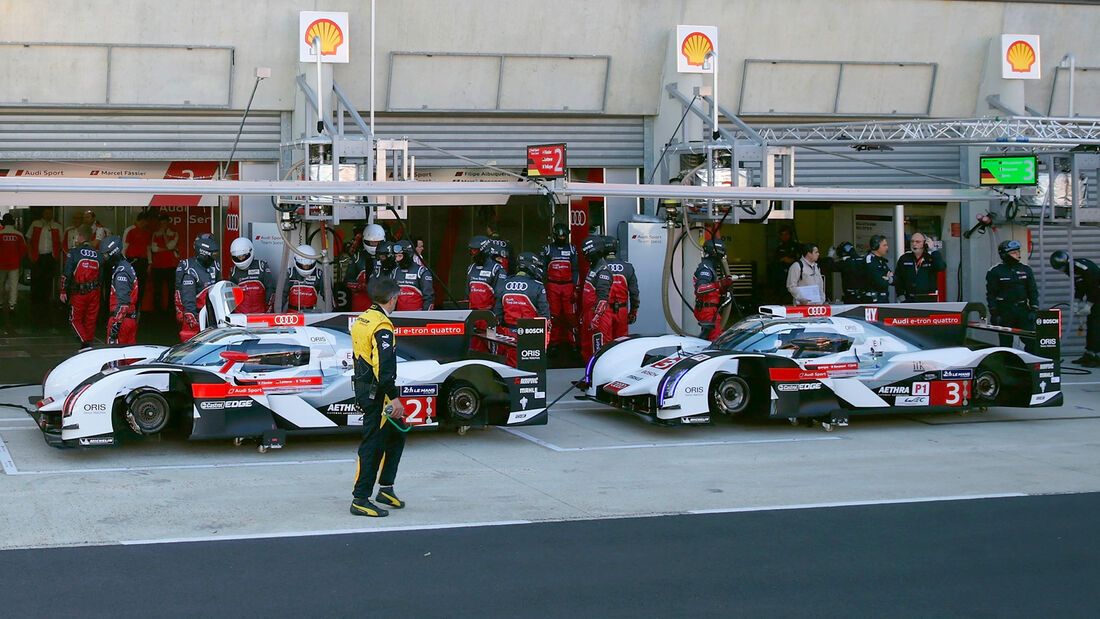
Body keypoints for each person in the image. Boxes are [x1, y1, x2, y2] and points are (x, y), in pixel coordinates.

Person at [349, 277, 407, 518]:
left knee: (397, 433)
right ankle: (360, 498)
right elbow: (384, 369)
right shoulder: (382, 325)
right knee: (373, 443)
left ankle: (385, 488)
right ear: (392, 299)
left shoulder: (363, 317)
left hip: (365, 387)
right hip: (377, 392)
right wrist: (394, 398)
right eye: (397, 299)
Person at [493, 252, 550, 367]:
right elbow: (545, 317)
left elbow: (497, 315)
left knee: (509, 367)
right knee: (530, 368)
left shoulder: (504, 284)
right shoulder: (537, 286)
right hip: (530, 335)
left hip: (508, 335)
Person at [1050, 250, 1100, 366]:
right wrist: (1076, 304)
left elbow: (1095, 285)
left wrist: (1088, 305)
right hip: (1094, 297)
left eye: (1060, 269)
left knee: (1096, 326)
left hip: (1097, 296)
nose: (1061, 272)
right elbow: (1079, 286)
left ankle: (1097, 356)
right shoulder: (1071, 270)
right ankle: (1089, 353)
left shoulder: (1080, 267)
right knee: (1091, 325)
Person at [986, 240, 1037, 351]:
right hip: (1005, 311)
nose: (1018, 255)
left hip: (1022, 310)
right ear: (1004, 255)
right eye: (1013, 252)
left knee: (1032, 341)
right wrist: (994, 313)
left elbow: (1032, 290)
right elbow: (991, 294)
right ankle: (1008, 365)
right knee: (1006, 343)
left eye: (1018, 251)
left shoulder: (1026, 270)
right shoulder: (995, 271)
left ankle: (1030, 364)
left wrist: (1034, 308)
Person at [592, 237, 639, 349]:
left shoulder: (598, 266)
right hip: (622, 311)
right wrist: (633, 312)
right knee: (622, 344)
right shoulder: (628, 266)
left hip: (604, 310)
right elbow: (634, 293)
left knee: (605, 344)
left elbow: (590, 291)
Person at [60, 226, 101, 349]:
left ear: (81, 236)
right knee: (91, 319)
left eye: (77, 235)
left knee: (75, 320)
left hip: (80, 292)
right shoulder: (98, 254)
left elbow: (66, 272)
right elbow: (102, 275)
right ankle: (89, 344)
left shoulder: (74, 252)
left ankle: (86, 344)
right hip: (95, 292)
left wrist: (63, 290)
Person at [540, 222, 579, 352]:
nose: (562, 239)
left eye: (564, 237)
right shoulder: (547, 249)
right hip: (552, 285)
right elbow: (543, 269)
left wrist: (575, 288)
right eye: (560, 236)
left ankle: (573, 342)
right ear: (555, 236)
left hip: (568, 286)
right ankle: (553, 342)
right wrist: (543, 287)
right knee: (554, 316)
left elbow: (575, 269)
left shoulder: (572, 249)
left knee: (570, 316)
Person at [175, 234, 220, 341]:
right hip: (194, 316)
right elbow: (181, 292)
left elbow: (220, 289)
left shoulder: (216, 266)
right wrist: (186, 313)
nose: (215, 257)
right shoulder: (189, 269)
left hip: (212, 314)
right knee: (190, 346)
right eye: (212, 254)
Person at [26, 207, 65, 327]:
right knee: (36, 279)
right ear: (43, 213)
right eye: (46, 212)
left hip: (50, 256)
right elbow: (28, 239)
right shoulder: (35, 224)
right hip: (38, 256)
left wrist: (57, 255)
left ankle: (46, 302)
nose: (48, 214)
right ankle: (35, 302)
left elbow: (61, 241)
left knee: (48, 279)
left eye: (50, 213)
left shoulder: (57, 226)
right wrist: (30, 254)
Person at [466, 236, 505, 353]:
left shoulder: (497, 269)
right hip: (473, 317)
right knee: (473, 349)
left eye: (475, 250)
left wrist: (496, 317)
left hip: (489, 318)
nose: (473, 253)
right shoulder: (470, 268)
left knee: (491, 349)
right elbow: (467, 293)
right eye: (471, 250)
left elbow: (500, 295)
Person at [100, 235, 139, 345]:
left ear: (113, 253)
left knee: (114, 358)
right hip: (129, 319)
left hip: (121, 320)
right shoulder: (126, 266)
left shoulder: (121, 272)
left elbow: (123, 302)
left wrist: (116, 324)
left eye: (106, 254)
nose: (105, 257)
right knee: (130, 357)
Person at [693, 238, 734, 340]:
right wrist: (719, 284)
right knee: (715, 339)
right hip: (706, 310)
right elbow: (700, 289)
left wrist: (724, 287)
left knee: (714, 336)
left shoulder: (710, 267)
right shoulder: (705, 268)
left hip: (711, 309)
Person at [579, 235, 609, 361]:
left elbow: (603, 297)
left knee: (598, 349)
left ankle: (597, 377)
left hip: (598, 317)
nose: (585, 255)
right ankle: (588, 376)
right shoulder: (593, 268)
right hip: (588, 314)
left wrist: (596, 317)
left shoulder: (603, 271)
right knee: (586, 348)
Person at [894, 232, 946, 303]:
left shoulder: (931, 257)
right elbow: (898, 278)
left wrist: (933, 250)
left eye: (917, 242)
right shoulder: (904, 258)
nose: (914, 244)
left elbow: (941, 267)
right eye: (912, 241)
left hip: (928, 298)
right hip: (909, 298)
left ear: (925, 243)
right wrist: (900, 295)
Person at [227, 237, 275, 314]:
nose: (241, 258)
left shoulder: (261, 266)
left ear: (250, 252)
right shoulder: (233, 272)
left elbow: (271, 289)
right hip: (240, 316)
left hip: (260, 314)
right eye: (238, 257)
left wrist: (268, 309)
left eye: (243, 255)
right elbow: (230, 296)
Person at [345, 224, 385, 312]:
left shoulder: (388, 257)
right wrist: (361, 286)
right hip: (361, 303)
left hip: (382, 303)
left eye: (377, 242)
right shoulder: (357, 257)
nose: (375, 244)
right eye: (372, 242)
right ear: (365, 241)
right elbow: (347, 281)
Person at [0, 213, 28, 328]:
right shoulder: (18, 235)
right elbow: (23, 250)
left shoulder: (0, 234)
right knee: (13, 285)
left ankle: (0, 303)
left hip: (1, 264)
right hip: (14, 264)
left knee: (0, 284)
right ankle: (12, 305)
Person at [391, 239, 434, 310]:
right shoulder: (395, 271)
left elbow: (429, 297)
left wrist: (425, 317)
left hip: (417, 316)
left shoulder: (421, 271)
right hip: (399, 316)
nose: (397, 259)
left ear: (408, 255)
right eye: (396, 256)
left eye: (400, 256)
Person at [122, 211, 152, 311]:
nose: (147, 223)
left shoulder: (147, 232)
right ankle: (128, 309)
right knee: (130, 285)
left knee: (141, 287)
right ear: (142, 220)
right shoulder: (130, 230)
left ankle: (137, 309)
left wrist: (149, 263)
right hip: (131, 261)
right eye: (146, 221)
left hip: (143, 262)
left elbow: (148, 248)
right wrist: (123, 263)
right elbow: (124, 247)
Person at [150, 214, 179, 314]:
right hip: (157, 266)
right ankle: (157, 310)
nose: (163, 225)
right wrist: (168, 249)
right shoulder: (155, 234)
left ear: (167, 223)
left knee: (171, 289)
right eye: (161, 223)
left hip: (170, 265)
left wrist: (164, 234)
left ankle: (171, 309)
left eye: (164, 223)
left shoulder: (174, 234)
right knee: (157, 289)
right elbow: (154, 249)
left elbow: (170, 245)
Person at [284, 244, 325, 312]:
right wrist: (276, 313)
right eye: (303, 265)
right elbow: (281, 297)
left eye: (308, 266)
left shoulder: (319, 274)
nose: (306, 267)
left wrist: (334, 313)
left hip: (311, 313)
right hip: (292, 314)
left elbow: (328, 296)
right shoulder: (290, 273)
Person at [770, 226, 799, 303]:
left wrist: (791, 260)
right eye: (782, 235)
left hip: (793, 274)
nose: (784, 236)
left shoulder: (796, 246)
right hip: (781, 275)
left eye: (786, 234)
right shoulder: (779, 247)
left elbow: (799, 260)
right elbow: (775, 260)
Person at [862, 235, 893, 303]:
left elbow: (895, 279)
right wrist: (888, 278)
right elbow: (879, 282)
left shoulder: (882, 261)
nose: (887, 247)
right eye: (884, 245)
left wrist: (888, 278)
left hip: (884, 299)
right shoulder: (869, 260)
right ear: (876, 246)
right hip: (873, 301)